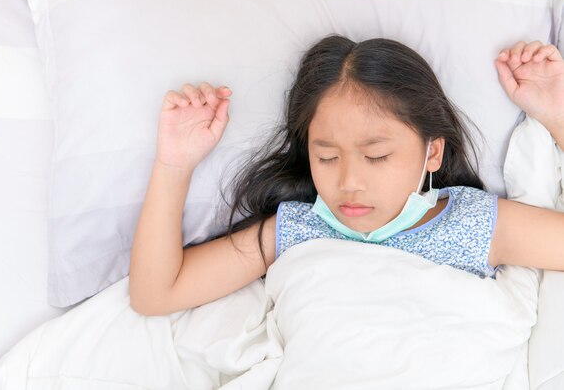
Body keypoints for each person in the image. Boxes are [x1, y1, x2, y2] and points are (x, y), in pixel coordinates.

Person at [128, 35, 564, 316]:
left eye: (376, 156)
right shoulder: (296, 230)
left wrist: (558, 117)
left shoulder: (474, 224)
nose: (349, 182)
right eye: (327, 157)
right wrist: (175, 164)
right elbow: (156, 294)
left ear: (432, 152)